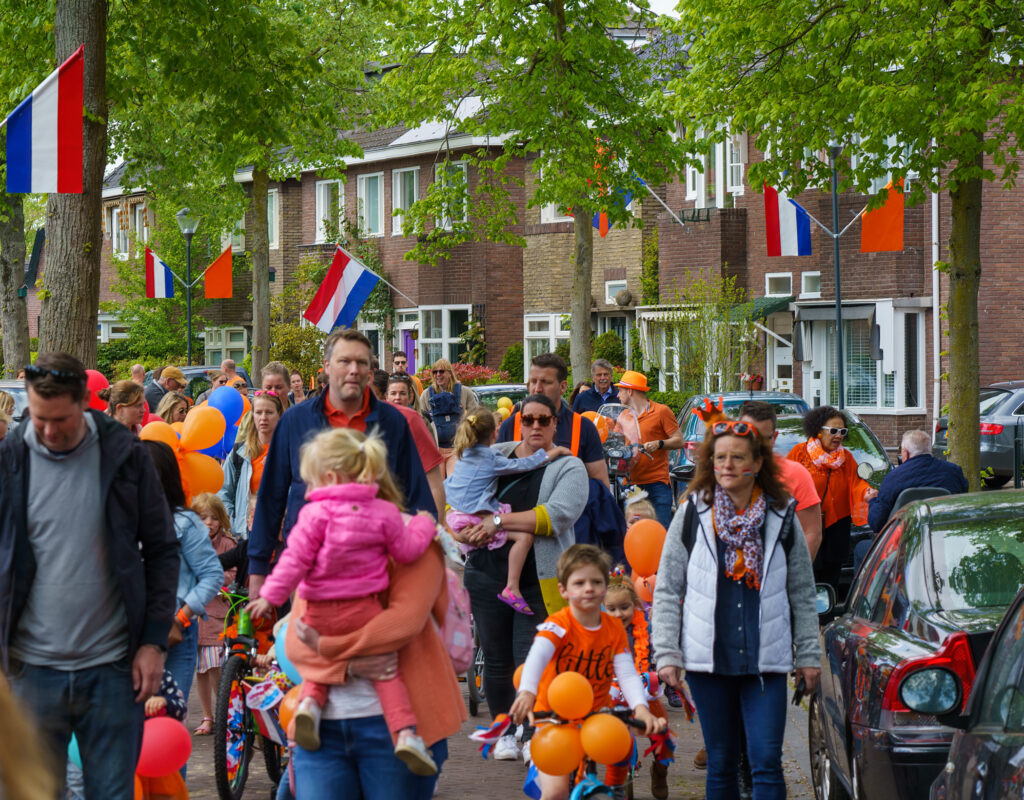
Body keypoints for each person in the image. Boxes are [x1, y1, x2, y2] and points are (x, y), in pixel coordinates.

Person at [0, 353, 179, 800]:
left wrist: (154, 642)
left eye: (59, 419)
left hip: (113, 671)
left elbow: (161, 550)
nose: (47, 431)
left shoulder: (124, 455)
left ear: (84, 403)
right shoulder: (11, 457)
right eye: (38, 418)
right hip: (30, 672)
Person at [249, 427, 438, 772]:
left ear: (331, 475)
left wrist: (269, 596)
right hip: (363, 609)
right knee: (385, 672)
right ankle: (405, 734)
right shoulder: (384, 513)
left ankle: (309, 705)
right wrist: (424, 525)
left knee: (319, 654)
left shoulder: (314, 515)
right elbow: (407, 551)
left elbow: (294, 560)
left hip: (318, 609)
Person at [653, 417, 821, 800]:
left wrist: (809, 653)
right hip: (707, 661)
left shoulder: (782, 517)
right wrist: (666, 652)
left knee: (765, 760)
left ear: (758, 463)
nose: (727, 465)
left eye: (737, 457)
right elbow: (666, 588)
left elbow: (802, 590)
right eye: (720, 457)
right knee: (722, 762)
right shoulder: (692, 514)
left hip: (767, 660)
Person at [248, 329, 434, 597]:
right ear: (326, 367)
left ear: (371, 371)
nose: (353, 370)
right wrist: (257, 570)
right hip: (309, 571)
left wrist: (424, 561)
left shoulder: (393, 423)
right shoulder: (295, 421)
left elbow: (417, 498)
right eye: (344, 361)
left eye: (361, 362)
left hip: (378, 572)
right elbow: (271, 498)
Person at [458, 392, 589, 761]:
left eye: (542, 420)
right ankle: (505, 731)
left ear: (555, 423)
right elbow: (462, 490)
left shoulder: (568, 465)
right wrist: (461, 525)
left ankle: (533, 731)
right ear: (518, 421)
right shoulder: (495, 452)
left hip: (538, 578)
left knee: (531, 659)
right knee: (497, 659)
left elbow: (555, 515)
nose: (534, 426)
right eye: (528, 419)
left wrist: (496, 522)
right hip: (486, 574)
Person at [285, 537, 465, 800]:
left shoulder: (416, 542)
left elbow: (403, 624)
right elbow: (296, 645)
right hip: (322, 731)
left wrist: (322, 644)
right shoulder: (316, 539)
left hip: (401, 729)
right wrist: (349, 665)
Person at [509, 545, 666, 800]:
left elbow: (626, 673)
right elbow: (537, 655)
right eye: (579, 583)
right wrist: (527, 692)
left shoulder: (613, 629)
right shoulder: (560, 624)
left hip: (596, 715)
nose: (588, 588)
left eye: (595, 581)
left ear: (605, 587)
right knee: (556, 792)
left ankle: (616, 787)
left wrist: (640, 707)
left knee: (619, 746)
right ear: (564, 590)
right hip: (554, 716)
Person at [445, 409, 571, 613]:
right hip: (474, 516)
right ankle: (511, 587)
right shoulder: (490, 457)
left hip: (457, 515)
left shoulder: (464, 453)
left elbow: (449, 485)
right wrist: (553, 452)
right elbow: (524, 465)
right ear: (494, 433)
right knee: (524, 538)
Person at [143, 440, 223, 716]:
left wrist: (181, 618)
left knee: (167, 723)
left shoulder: (185, 522)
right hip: (129, 631)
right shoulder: (119, 518)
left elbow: (212, 575)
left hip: (174, 631)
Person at [786, 406, 877, 588]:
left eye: (842, 431)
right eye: (833, 431)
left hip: (836, 527)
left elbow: (856, 483)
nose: (839, 435)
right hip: (806, 526)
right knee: (806, 577)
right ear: (819, 431)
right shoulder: (799, 453)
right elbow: (784, 484)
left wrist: (867, 492)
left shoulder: (846, 458)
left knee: (831, 578)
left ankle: (828, 614)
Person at [602, 568, 673, 800]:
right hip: (614, 695)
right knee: (617, 740)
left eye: (625, 607)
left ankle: (660, 770)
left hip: (646, 694)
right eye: (612, 609)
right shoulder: (600, 633)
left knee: (663, 737)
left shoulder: (647, 630)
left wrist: (658, 672)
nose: (619, 614)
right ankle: (621, 782)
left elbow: (661, 655)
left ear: (635, 605)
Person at [498, 353, 610, 488]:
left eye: (546, 382)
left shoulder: (583, 428)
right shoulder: (510, 426)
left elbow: (601, 486)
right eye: (533, 382)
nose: (537, 389)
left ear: (563, 387)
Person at [740, 400, 823, 559]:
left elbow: (812, 532)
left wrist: (794, 576)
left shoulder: (796, 474)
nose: (757, 445)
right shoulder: (725, 471)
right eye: (751, 436)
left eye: (764, 438)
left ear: (774, 437)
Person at [189, 493, 237, 736]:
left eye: (214, 518)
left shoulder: (227, 544)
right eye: (203, 517)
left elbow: (234, 572)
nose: (209, 523)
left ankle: (225, 713)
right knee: (201, 670)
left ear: (221, 520)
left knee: (217, 667)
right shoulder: (188, 541)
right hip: (194, 614)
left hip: (217, 613)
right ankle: (208, 716)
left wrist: (211, 579)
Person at [371, 370, 447, 522]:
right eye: (393, 393)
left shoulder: (413, 420)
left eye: (402, 393)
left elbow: (434, 479)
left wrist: (437, 529)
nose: (397, 398)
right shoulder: (320, 418)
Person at [613, 370, 684, 528]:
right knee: (634, 534)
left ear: (630, 391)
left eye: (620, 390)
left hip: (657, 484)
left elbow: (679, 441)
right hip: (631, 485)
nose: (618, 395)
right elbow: (616, 445)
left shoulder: (661, 411)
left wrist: (659, 444)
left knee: (660, 531)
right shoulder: (623, 416)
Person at [867, 429, 968, 531]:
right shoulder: (953, 472)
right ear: (929, 450)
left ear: (906, 453)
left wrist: (873, 500)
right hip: (945, 535)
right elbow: (963, 503)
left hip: (903, 540)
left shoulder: (893, 478)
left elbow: (877, 523)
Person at [220, 390, 285, 539]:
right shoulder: (240, 453)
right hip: (246, 534)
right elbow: (223, 492)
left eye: (269, 412)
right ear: (252, 416)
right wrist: (234, 523)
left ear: (279, 416)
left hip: (280, 534)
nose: (263, 418)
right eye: (258, 412)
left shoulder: (289, 453)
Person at [417, 358, 480, 475]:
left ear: (450, 373)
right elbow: (420, 420)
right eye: (435, 372)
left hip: (457, 448)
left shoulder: (464, 392)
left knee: (454, 481)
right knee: (438, 486)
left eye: (441, 371)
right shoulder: (427, 394)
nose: (438, 375)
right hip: (435, 449)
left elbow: (475, 416)